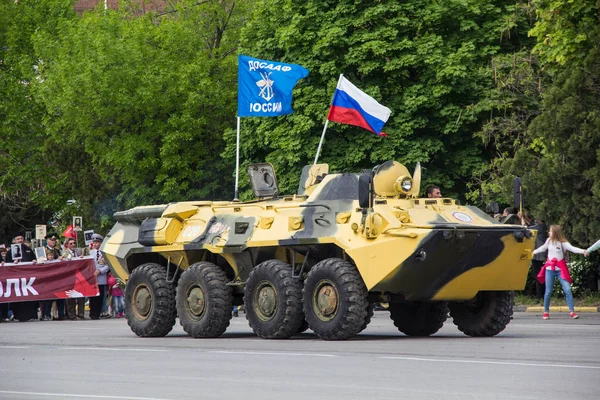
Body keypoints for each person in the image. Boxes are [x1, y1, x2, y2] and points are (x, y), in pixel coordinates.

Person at [532, 225, 585, 320]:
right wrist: (533, 252)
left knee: (567, 289)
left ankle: (572, 311)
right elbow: (543, 248)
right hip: (550, 269)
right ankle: (546, 311)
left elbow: (573, 249)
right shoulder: (548, 241)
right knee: (548, 291)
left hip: (560, 270)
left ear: (555, 232)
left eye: (550, 231)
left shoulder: (563, 243)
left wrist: (583, 251)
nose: (549, 232)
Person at [3, 234, 38, 321]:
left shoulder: (28, 249)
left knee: (28, 296)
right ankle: (16, 315)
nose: (20, 240)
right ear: (14, 241)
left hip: (27, 278)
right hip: (16, 278)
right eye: (18, 239)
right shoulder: (10, 251)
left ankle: (31, 315)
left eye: (21, 238)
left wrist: (34, 260)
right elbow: (7, 264)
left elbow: (34, 258)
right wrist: (13, 262)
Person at [63, 238, 86, 320]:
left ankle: (81, 314)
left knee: (81, 295)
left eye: (74, 243)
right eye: (71, 243)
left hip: (79, 276)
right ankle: (71, 315)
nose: (73, 245)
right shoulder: (64, 252)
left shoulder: (79, 251)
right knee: (70, 296)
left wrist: (83, 258)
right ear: (67, 245)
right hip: (69, 277)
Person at [89, 233, 110, 320]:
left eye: (97, 242)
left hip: (101, 278)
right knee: (92, 297)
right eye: (94, 243)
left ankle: (98, 313)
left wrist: (100, 271)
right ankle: (92, 313)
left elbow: (109, 264)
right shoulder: (90, 253)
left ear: (101, 243)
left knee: (100, 296)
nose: (95, 244)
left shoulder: (104, 253)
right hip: (92, 278)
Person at [529, 218, 548, 300]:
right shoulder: (542, 226)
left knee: (538, 276)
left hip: (539, 257)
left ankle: (540, 295)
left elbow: (527, 228)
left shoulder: (541, 227)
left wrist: (522, 218)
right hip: (539, 256)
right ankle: (540, 294)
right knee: (539, 275)